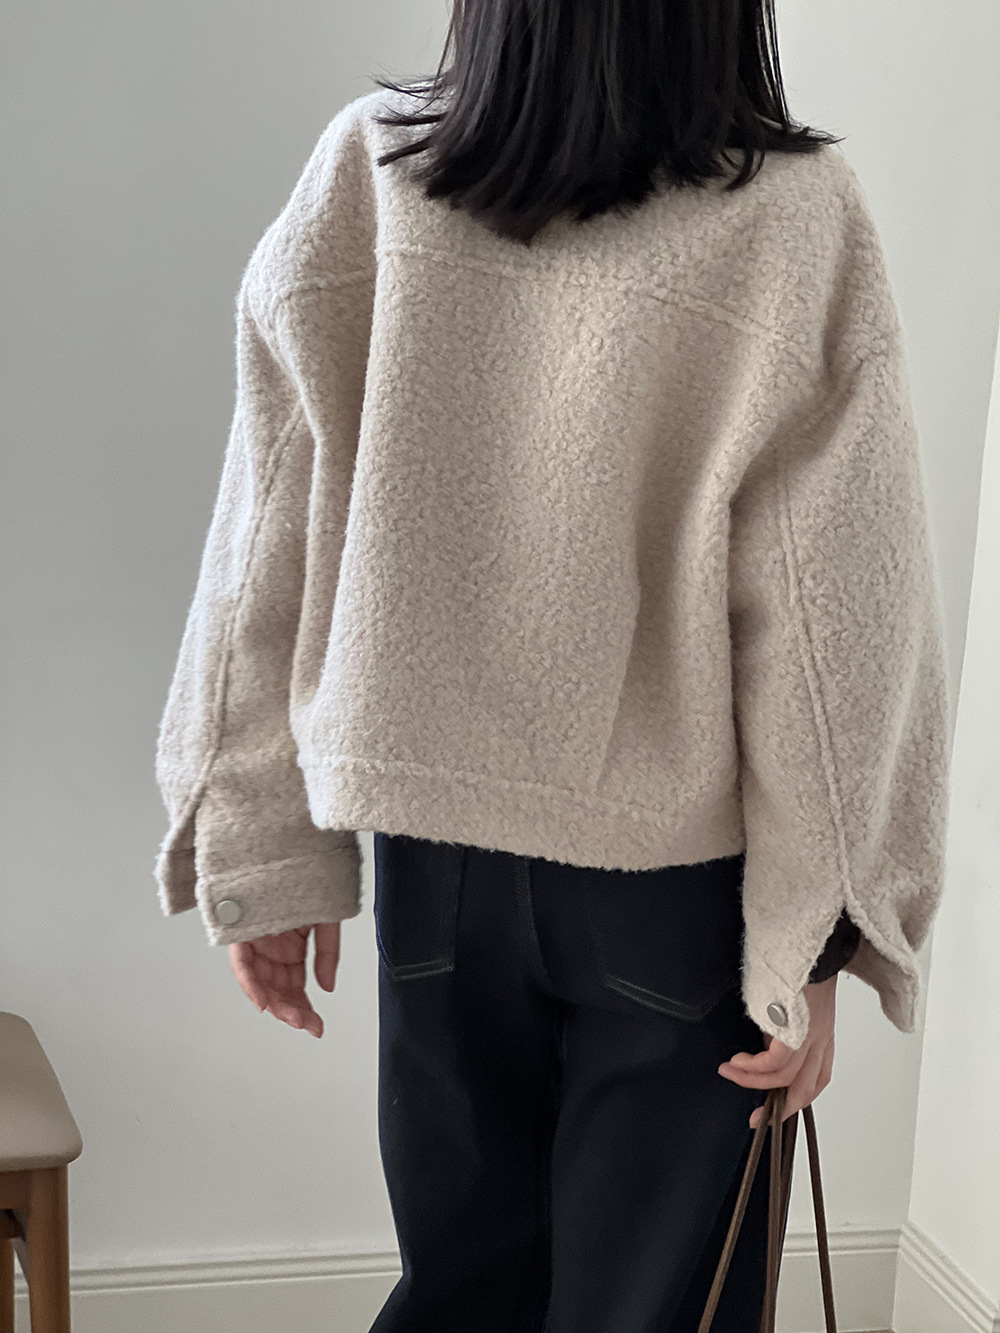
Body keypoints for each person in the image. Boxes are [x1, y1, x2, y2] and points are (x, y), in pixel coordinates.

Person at [152, 1, 951, 1327]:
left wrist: (263, 846)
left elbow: (266, 534)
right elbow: (833, 621)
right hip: (673, 887)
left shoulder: (374, 169)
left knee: (462, 1285)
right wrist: (814, 927)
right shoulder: (792, 215)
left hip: (434, 867)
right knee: (651, 1302)